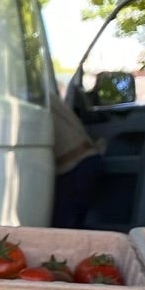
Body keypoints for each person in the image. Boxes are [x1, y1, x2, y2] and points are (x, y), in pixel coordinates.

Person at [50, 86, 106, 227]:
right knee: (73, 225)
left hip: (74, 166)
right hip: (89, 159)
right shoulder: (42, 93)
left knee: (63, 228)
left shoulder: (22, 96)